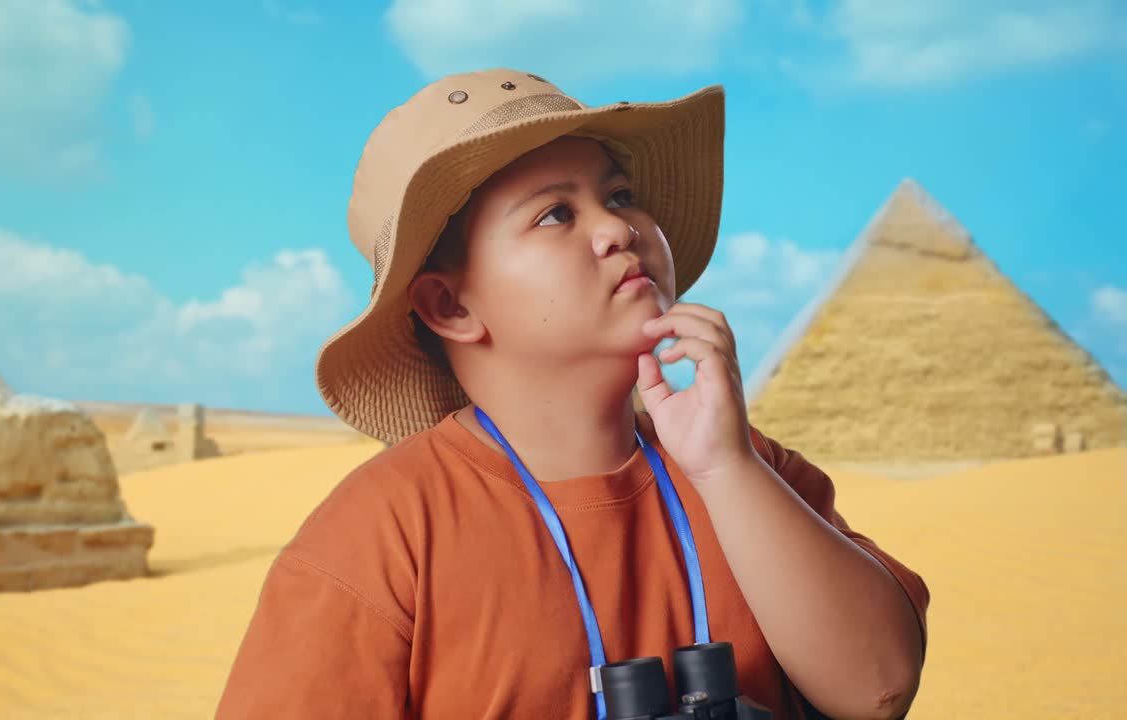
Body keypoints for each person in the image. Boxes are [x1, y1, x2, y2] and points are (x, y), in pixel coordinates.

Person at [216, 68, 929, 720]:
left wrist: (726, 469)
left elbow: (877, 689)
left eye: (619, 196)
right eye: (556, 214)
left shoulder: (752, 471)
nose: (619, 228)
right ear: (450, 307)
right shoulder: (382, 536)